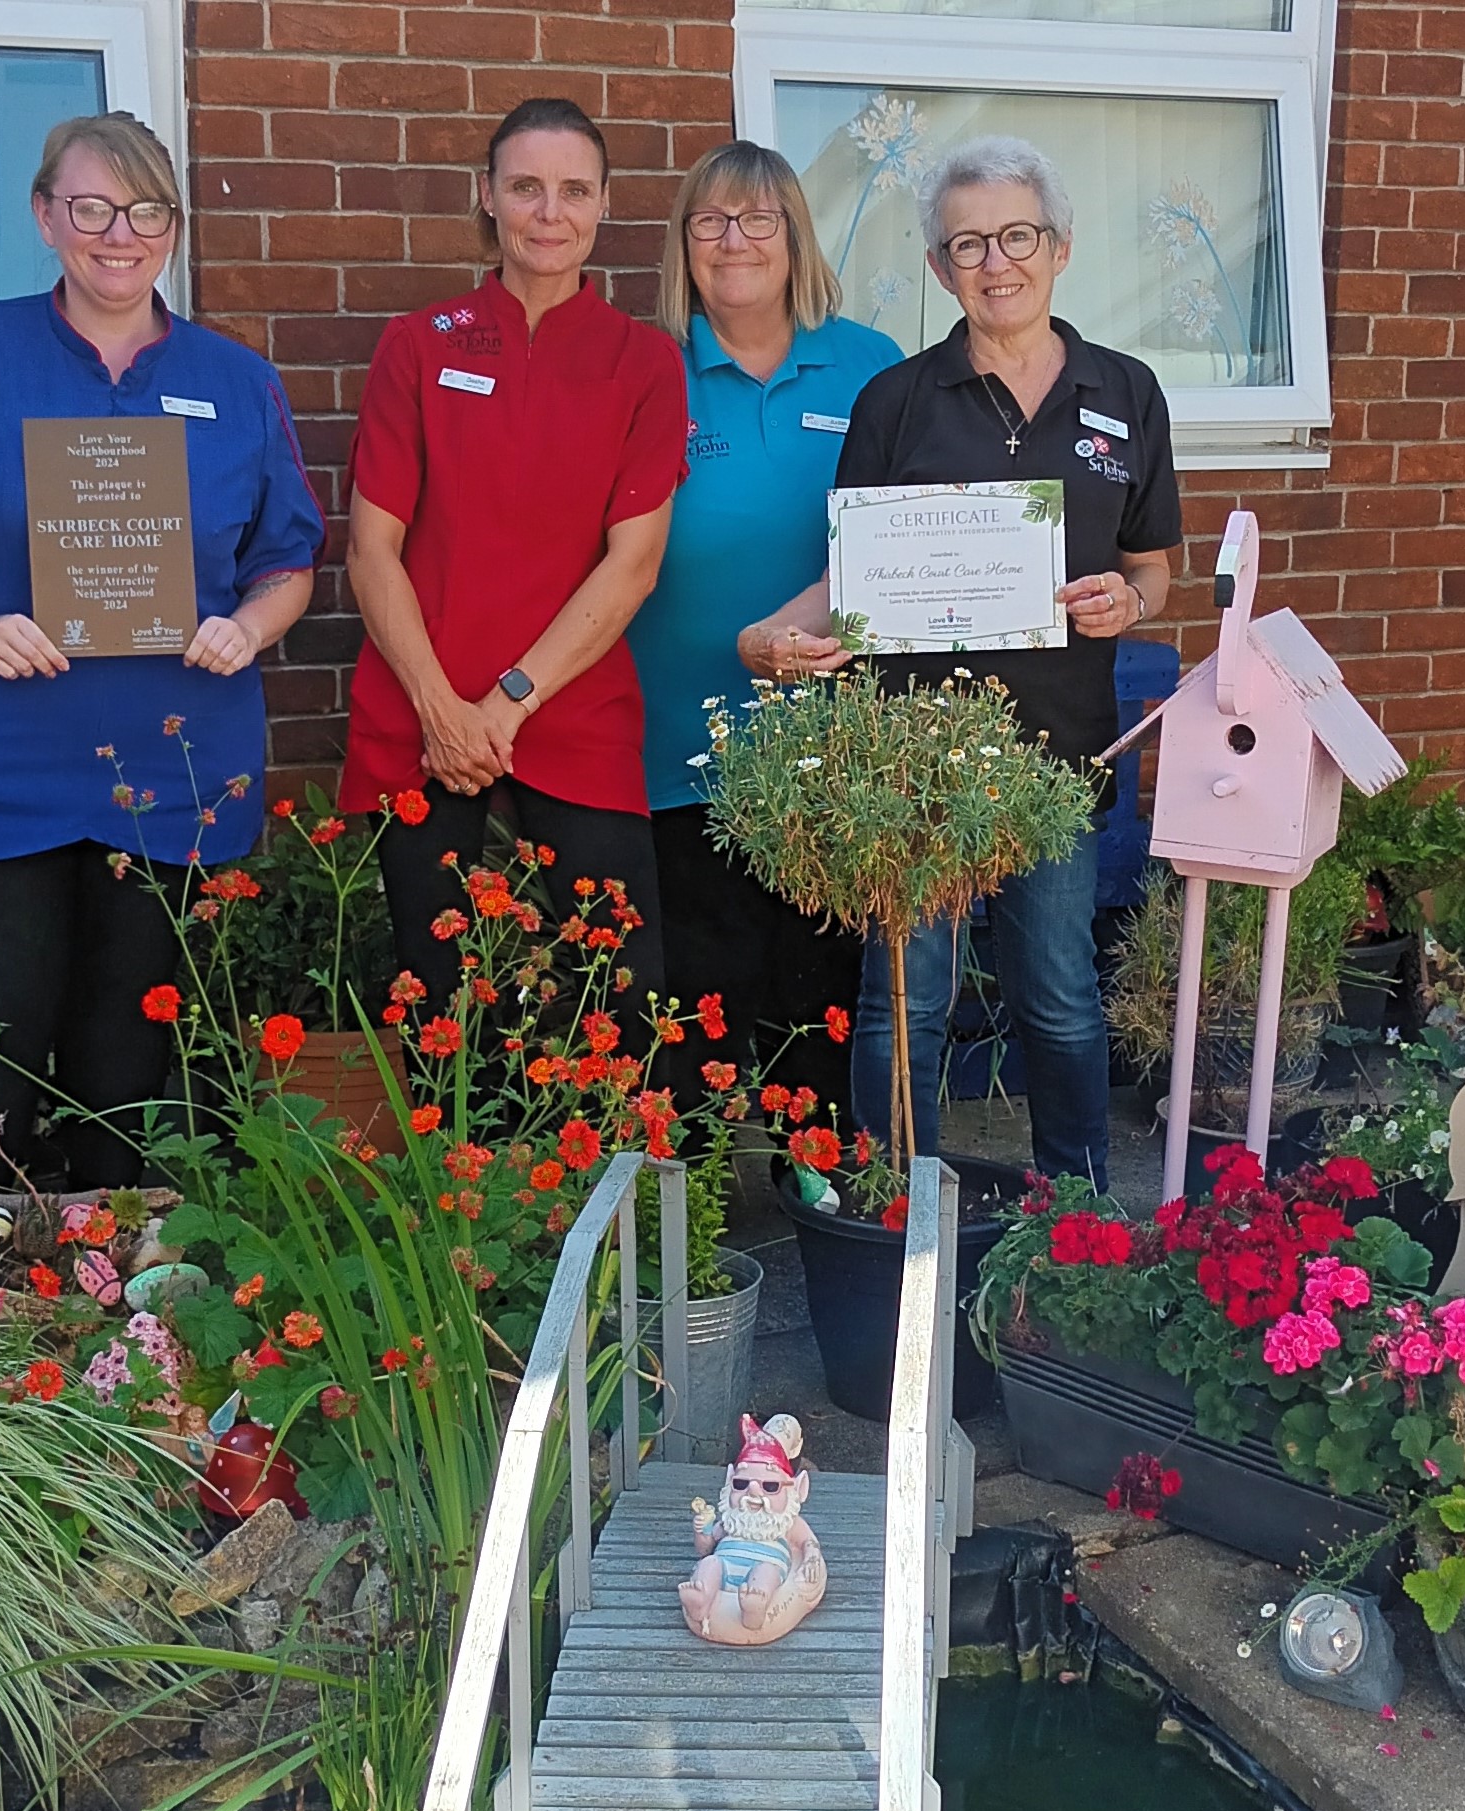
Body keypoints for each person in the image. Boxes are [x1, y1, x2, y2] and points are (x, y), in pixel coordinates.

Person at [0, 111, 322, 1188]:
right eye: (92, 207)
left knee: (130, 1048)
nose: (121, 233)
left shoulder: (236, 382)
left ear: (173, 224)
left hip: (166, 767)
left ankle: (120, 1318)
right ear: (45, 217)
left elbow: (288, 559)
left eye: (146, 208)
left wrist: (245, 626)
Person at [753, 137, 1181, 1189]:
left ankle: (1071, 1210)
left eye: (1016, 236)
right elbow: (855, 577)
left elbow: (1155, 566)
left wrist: (1127, 600)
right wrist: (771, 637)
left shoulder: (1125, 391)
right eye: (968, 244)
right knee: (907, 999)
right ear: (942, 269)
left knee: (1060, 996)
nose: (997, 262)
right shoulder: (896, 402)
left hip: (1057, 756)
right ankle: (892, 1203)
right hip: (917, 769)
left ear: (1060, 246)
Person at [340, 98, 687, 1013]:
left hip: (572, 710)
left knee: (619, 991)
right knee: (438, 997)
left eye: (574, 190)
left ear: (605, 204)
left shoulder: (644, 361)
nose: (549, 212)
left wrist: (503, 706)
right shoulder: (417, 345)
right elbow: (372, 549)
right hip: (423, 713)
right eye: (526, 187)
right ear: (486, 196)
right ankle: (463, 1164)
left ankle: (614, 1164)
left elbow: (634, 563)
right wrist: (442, 711)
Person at [627, 142, 899, 1087]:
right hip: (672, 736)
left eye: (757, 219)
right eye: (709, 221)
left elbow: (902, 536)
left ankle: (813, 1196)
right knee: (694, 998)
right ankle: (690, 1216)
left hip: (824, 742)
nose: (732, 240)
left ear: (795, 236)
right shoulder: (645, 365)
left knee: (814, 996)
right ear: (682, 244)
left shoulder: (868, 366)